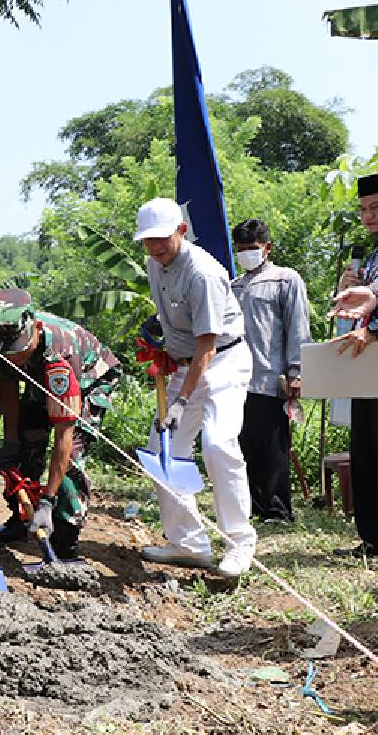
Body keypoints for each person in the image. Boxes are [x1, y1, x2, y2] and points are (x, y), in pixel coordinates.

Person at [132, 197, 255, 578]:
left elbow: (208, 344)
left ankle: (239, 543)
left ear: (181, 231)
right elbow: (175, 314)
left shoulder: (202, 272)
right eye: (147, 241)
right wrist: (158, 331)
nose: (154, 248)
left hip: (223, 362)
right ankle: (189, 543)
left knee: (217, 444)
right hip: (185, 364)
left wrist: (182, 400)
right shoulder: (156, 264)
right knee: (163, 451)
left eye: (161, 240)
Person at [0, 290, 120, 558]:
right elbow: (8, 385)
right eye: (8, 353)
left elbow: (63, 436)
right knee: (25, 441)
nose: (13, 358)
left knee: (72, 459)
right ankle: (22, 516)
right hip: (38, 378)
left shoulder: (61, 358)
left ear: (34, 329)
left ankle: (66, 535)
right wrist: (10, 440)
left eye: (18, 351)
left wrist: (49, 499)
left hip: (89, 380)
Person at [229, 218, 311, 525]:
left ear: (267, 248)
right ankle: (252, 506)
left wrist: (296, 370)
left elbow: (298, 327)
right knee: (244, 445)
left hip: (272, 377)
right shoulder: (234, 286)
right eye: (241, 249)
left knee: (274, 447)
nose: (247, 254)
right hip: (238, 379)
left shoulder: (285, 280)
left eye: (253, 248)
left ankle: (277, 510)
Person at [328, 173, 378, 559]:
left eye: (375, 207)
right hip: (367, 369)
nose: (368, 216)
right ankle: (372, 536)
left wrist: (374, 330)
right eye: (363, 209)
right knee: (366, 447)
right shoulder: (373, 256)